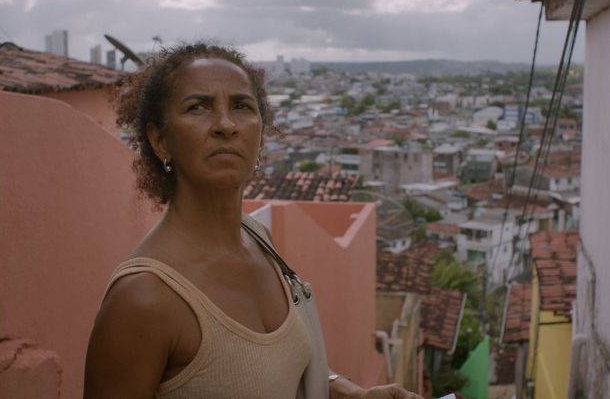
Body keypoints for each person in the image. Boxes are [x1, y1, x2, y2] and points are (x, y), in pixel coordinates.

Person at [83, 41, 423, 399]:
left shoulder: (257, 236)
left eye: (242, 106)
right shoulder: (143, 298)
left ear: (260, 139)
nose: (226, 124)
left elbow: (275, 373)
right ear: (160, 140)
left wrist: (352, 393)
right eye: (198, 107)